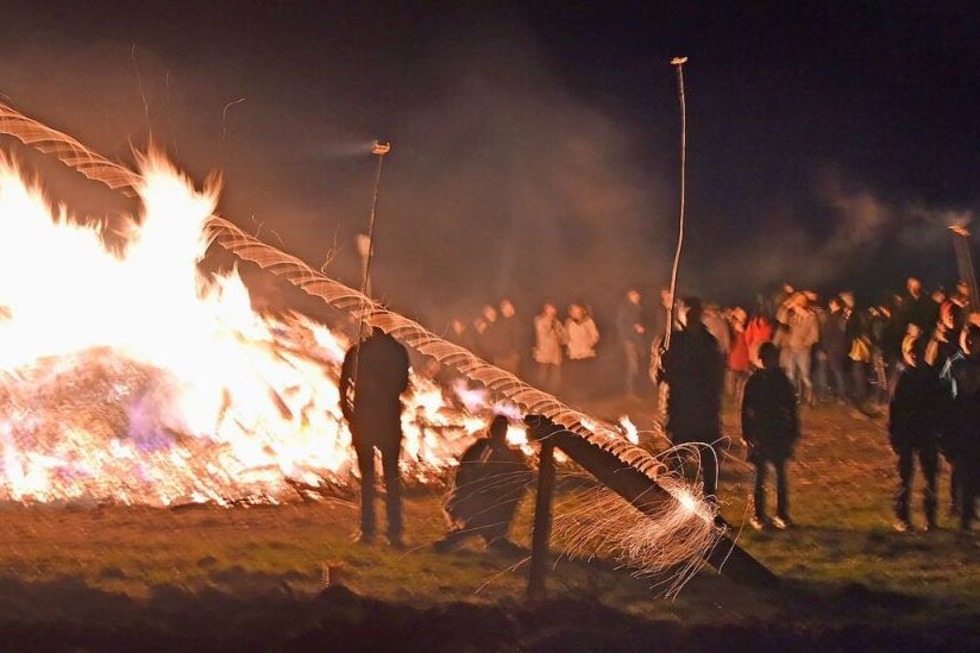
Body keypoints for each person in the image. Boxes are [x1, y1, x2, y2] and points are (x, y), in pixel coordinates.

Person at [339, 325, 411, 547]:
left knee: (370, 478)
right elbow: (403, 386)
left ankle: (370, 531)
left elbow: (343, 385)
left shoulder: (359, 351)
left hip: (369, 420)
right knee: (390, 477)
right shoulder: (396, 351)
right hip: (384, 420)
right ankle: (392, 531)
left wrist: (348, 411)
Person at [433, 415, 533, 553]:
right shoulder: (481, 448)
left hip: (492, 499)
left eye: (503, 429)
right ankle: (461, 539)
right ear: (491, 430)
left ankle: (495, 539)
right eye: (498, 429)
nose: (501, 433)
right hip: (471, 499)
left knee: (500, 507)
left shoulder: (505, 452)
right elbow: (464, 477)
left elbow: (520, 473)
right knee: (480, 521)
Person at [661, 296, 725, 500]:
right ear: (679, 314)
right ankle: (674, 507)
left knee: (710, 460)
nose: (692, 317)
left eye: (695, 313)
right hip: (680, 409)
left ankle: (710, 505)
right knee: (677, 460)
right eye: (688, 313)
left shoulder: (709, 342)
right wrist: (662, 362)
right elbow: (659, 377)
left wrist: (715, 405)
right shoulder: (671, 341)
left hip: (705, 409)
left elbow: (716, 376)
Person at [741, 342, 800, 530]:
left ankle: (782, 514)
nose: (769, 362)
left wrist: (793, 430)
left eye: (771, 358)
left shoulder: (782, 380)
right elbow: (745, 409)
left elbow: (791, 407)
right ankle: (759, 514)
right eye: (765, 359)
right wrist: (747, 433)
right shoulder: (754, 381)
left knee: (780, 475)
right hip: (760, 434)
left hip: (778, 432)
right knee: (759, 476)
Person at [888, 335, 943, 532]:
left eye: (917, 352)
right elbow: (894, 409)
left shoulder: (929, 375)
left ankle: (930, 518)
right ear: (905, 354)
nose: (915, 356)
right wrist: (894, 434)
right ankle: (902, 517)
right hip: (907, 433)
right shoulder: (902, 377)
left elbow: (938, 404)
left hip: (926, 431)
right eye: (911, 352)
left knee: (930, 476)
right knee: (905, 476)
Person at [945, 324, 980, 531]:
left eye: (973, 339)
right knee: (964, 472)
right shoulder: (954, 365)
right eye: (966, 338)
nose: (969, 342)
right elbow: (943, 396)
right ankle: (965, 517)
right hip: (961, 428)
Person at [564, 303, 600, 402]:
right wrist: (569, 346)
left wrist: (589, 343)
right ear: (570, 312)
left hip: (586, 354)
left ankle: (586, 398)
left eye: (578, 311)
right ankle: (575, 398)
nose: (576, 313)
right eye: (574, 311)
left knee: (585, 376)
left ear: (582, 311)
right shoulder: (568, 323)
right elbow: (565, 337)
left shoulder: (589, 321)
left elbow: (595, 335)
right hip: (574, 354)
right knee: (574, 377)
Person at [615, 288, 646, 398]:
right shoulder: (625, 308)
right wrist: (635, 327)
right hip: (630, 341)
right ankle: (631, 392)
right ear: (629, 295)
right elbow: (621, 325)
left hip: (638, 341)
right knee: (633, 367)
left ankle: (638, 391)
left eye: (638, 293)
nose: (638, 295)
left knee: (640, 365)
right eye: (635, 294)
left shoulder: (639, 307)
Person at [532, 303, 566, 394]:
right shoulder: (540, 321)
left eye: (553, 308)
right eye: (550, 308)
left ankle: (555, 395)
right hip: (544, 353)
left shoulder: (557, 322)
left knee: (556, 377)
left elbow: (563, 338)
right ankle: (541, 395)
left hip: (555, 354)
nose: (552, 311)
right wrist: (550, 324)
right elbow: (543, 332)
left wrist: (560, 334)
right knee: (542, 376)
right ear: (545, 309)